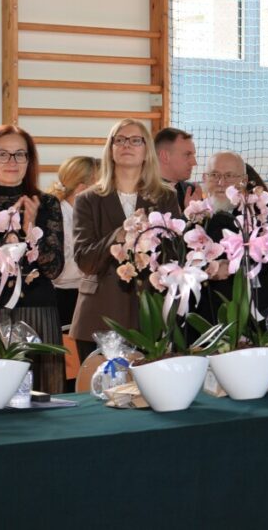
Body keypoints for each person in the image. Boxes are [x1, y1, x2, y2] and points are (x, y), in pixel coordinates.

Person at [71, 119, 181, 363]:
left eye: (135, 140)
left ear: (146, 150)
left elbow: (175, 256)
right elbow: (85, 260)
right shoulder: (87, 199)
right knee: (100, 384)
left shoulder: (166, 197)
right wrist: (118, 236)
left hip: (150, 313)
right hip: (100, 315)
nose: (126, 145)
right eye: (119, 140)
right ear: (110, 149)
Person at [0, 125, 65, 394]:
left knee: (41, 397)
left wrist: (30, 227)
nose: (12, 161)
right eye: (3, 154)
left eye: (20, 154)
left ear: (29, 160)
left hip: (37, 311)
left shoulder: (47, 204)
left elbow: (54, 269)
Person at [196, 151, 268, 323]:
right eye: (214, 175)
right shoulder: (192, 221)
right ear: (204, 178)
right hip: (204, 324)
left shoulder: (262, 222)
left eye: (229, 176)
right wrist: (206, 271)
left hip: (253, 322)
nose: (221, 183)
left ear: (244, 181)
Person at [48, 156, 100, 330]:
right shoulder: (58, 216)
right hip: (65, 299)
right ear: (82, 189)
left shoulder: (83, 214)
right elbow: (60, 272)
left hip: (82, 293)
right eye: (101, 187)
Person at [154, 127, 199, 210]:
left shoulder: (192, 192)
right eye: (187, 154)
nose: (194, 162)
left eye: (193, 155)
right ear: (165, 156)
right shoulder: (142, 194)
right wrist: (189, 213)